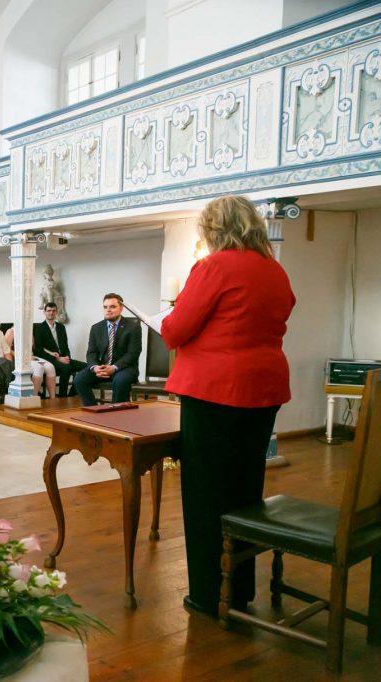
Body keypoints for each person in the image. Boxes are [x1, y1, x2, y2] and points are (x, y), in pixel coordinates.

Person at [159, 195, 295, 617]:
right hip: (263, 390)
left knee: (206, 495)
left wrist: (173, 317)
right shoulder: (275, 270)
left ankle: (208, 594)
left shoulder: (213, 266)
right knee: (244, 489)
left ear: (214, 230)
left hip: (215, 391)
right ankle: (240, 590)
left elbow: (175, 330)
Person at [72, 294, 142, 406]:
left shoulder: (133, 327)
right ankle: (94, 410)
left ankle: (115, 415)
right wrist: (95, 367)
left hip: (124, 368)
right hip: (102, 367)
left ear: (121, 308)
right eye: (105, 307)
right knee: (79, 379)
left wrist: (114, 368)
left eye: (112, 307)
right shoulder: (96, 328)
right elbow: (91, 353)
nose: (108, 310)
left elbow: (133, 353)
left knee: (120, 381)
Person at [35, 302, 86, 397]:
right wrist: (58, 359)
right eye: (49, 311)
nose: (51, 313)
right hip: (49, 359)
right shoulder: (39, 328)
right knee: (66, 368)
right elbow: (39, 350)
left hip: (63, 358)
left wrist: (67, 357)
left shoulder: (61, 327)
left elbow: (65, 346)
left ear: (56, 312)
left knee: (87, 367)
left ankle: (72, 393)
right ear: (44, 312)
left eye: (53, 311)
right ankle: (63, 397)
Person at [5, 326, 56, 399]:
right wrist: (22, 356)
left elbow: (34, 347)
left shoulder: (28, 330)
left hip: (31, 357)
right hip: (18, 359)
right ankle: (33, 397)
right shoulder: (11, 331)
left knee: (51, 367)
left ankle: (52, 398)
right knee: (39, 368)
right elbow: (6, 349)